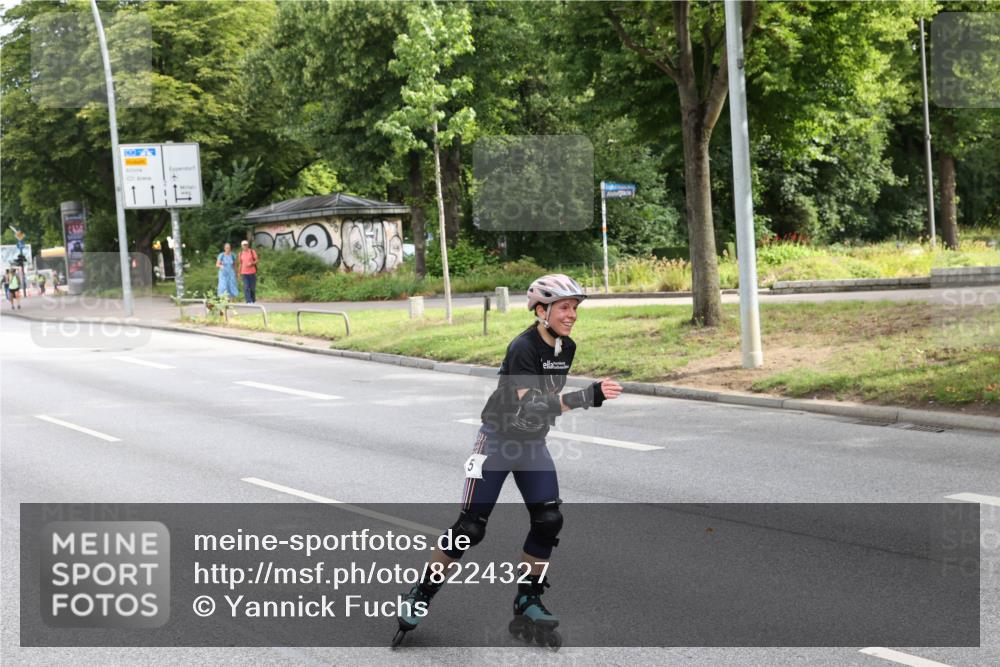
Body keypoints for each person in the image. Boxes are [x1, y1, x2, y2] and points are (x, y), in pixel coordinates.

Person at [393, 274, 623, 649]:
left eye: (575, 308)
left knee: (549, 519)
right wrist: (587, 396)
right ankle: (421, 592)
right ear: (541, 310)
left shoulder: (566, 348)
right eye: (565, 307)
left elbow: (545, 405)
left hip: (532, 444)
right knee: (470, 528)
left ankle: (528, 597)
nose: (572, 315)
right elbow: (529, 403)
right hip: (496, 442)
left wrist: (581, 398)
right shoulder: (523, 346)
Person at [237, 240, 258, 304]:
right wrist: (238, 273)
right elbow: (240, 264)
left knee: (252, 288)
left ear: (248, 245)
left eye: (246, 244)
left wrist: (252, 263)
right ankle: (248, 301)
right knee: (246, 287)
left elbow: (257, 260)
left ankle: (253, 300)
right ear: (241, 246)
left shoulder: (252, 251)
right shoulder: (240, 253)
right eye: (244, 245)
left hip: (252, 272)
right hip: (244, 273)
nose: (245, 246)